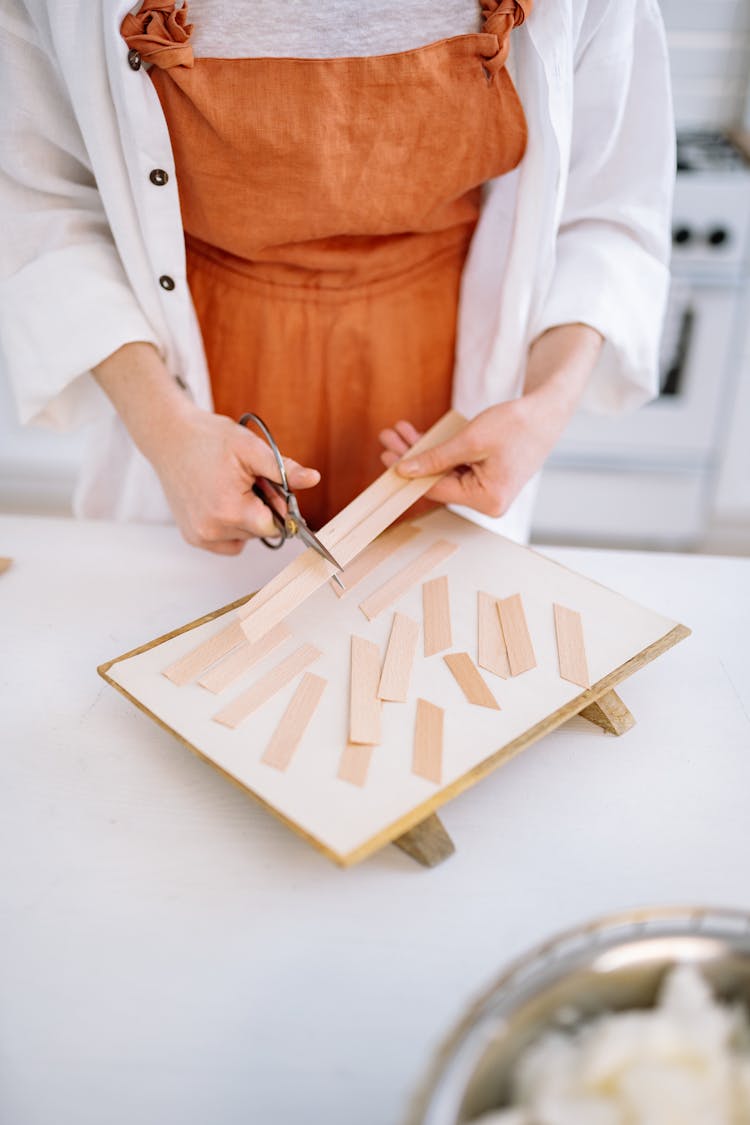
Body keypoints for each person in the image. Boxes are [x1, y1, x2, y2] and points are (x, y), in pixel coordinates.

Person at [0, 1, 674, 555]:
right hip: (195, 376)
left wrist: (545, 407)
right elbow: (42, 199)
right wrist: (165, 431)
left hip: (438, 379)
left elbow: (608, 202)